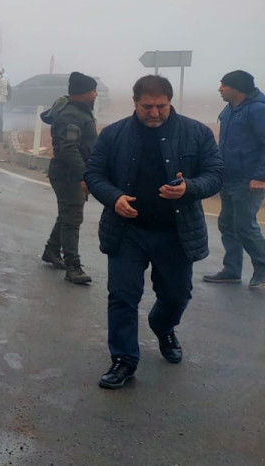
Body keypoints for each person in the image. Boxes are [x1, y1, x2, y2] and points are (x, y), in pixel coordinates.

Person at [84, 75, 222, 389]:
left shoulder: (196, 133)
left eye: (161, 106)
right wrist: (114, 197)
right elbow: (94, 173)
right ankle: (123, 360)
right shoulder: (114, 134)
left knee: (176, 295)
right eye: (148, 106)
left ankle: (163, 326)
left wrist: (190, 187)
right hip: (127, 231)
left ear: (170, 102)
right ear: (135, 103)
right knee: (122, 297)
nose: (155, 112)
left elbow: (215, 174)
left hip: (175, 233)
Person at [202, 70, 265, 288]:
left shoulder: (258, 110)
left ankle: (263, 270)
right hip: (229, 177)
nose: (220, 89)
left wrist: (261, 176)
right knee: (227, 223)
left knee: (245, 226)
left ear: (236, 88)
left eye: (223, 85)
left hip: (249, 180)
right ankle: (232, 270)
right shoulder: (229, 109)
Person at [40, 72, 99, 284]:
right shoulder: (71, 116)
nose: (96, 94)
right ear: (83, 93)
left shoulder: (80, 111)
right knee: (73, 218)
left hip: (71, 172)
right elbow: (69, 149)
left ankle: (51, 250)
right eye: (93, 90)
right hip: (68, 174)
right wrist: (84, 176)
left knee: (68, 213)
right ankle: (73, 266)